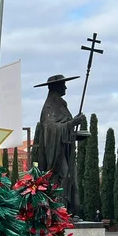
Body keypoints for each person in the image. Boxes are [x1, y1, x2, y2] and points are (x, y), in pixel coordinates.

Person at [35, 74, 90, 218]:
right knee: (62, 177)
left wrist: (75, 132)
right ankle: (58, 211)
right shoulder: (49, 107)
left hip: (65, 150)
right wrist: (73, 123)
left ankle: (67, 211)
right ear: (56, 87)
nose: (65, 87)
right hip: (55, 155)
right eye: (63, 84)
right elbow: (51, 129)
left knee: (70, 178)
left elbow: (63, 128)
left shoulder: (61, 105)